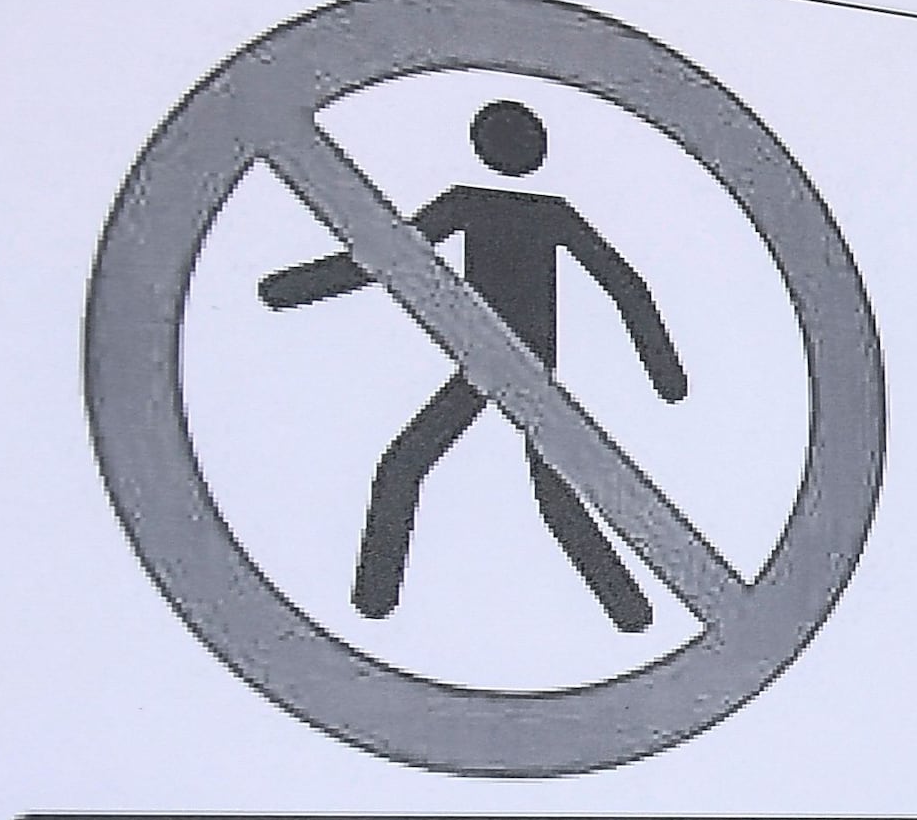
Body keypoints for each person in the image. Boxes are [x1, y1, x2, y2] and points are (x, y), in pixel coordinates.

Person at [259, 96, 686, 632]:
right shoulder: (502, 208)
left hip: (512, 368)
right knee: (493, 482)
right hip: (502, 364)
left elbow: (380, 258)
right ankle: (633, 611)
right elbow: (385, 257)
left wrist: (290, 289)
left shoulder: (506, 208)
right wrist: (664, 374)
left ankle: (634, 613)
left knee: (422, 469)